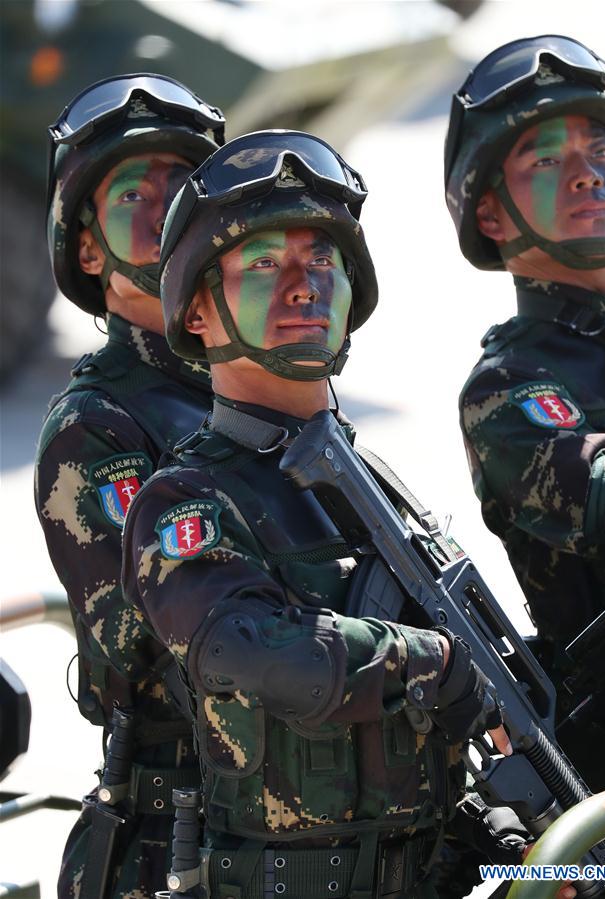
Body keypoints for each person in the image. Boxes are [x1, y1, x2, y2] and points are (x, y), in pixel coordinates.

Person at [121, 130, 520, 899]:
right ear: (197, 310)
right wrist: (431, 662)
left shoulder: (371, 481)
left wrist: (517, 854)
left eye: (323, 260)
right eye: (265, 264)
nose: (304, 285)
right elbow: (259, 651)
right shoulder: (187, 498)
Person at [35, 74, 225, 898]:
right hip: (177, 846)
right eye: (131, 192)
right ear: (87, 249)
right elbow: (157, 643)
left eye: (181, 184)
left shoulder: (268, 387)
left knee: (562, 866)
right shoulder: (97, 428)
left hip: (340, 823)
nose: (163, 207)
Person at [445, 35, 605, 687]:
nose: (588, 173)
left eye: (601, 149)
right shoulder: (507, 387)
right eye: (547, 159)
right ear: (490, 213)